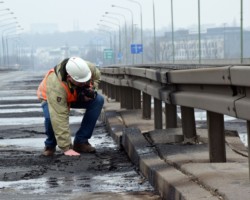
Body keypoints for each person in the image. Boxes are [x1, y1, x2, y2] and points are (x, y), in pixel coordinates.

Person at [37, 57, 104, 156]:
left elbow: (97, 77)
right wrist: (66, 148)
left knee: (98, 100)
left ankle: (81, 142)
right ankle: (50, 145)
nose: (84, 83)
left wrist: (90, 89)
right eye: (80, 82)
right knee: (51, 118)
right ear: (69, 77)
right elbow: (59, 117)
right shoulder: (56, 85)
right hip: (49, 96)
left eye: (86, 80)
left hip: (72, 94)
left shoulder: (88, 68)